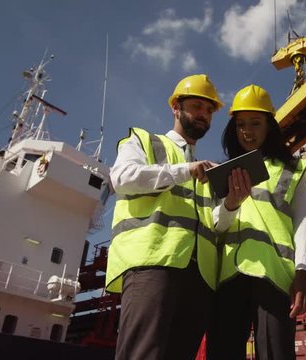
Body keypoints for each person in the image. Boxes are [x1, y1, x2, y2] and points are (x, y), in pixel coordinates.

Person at [106, 74, 223, 360]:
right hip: (153, 265)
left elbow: (215, 223)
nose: (204, 115)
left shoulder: (208, 170)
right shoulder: (144, 141)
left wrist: (231, 203)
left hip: (200, 276)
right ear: (176, 107)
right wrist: (184, 170)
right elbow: (121, 178)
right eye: (197, 106)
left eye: (209, 111)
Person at [206, 84, 306, 359]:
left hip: (274, 276)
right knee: (222, 352)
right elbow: (216, 226)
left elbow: (301, 222)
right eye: (241, 124)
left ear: (269, 126)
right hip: (230, 275)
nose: (247, 131)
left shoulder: (292, 169)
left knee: (276, 353)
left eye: (256, 123)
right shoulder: (222, 172)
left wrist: (303, 273)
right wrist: (230, 204)